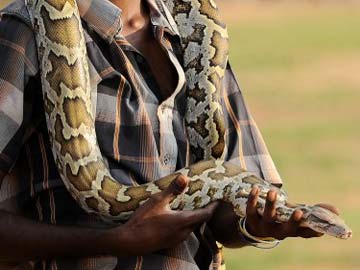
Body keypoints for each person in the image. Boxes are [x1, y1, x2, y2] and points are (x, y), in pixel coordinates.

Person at [0, 0, 339, 269]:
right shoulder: (22, 30)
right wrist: (116, 241)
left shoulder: (199, 35)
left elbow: (223, 203)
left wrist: (254, 224)